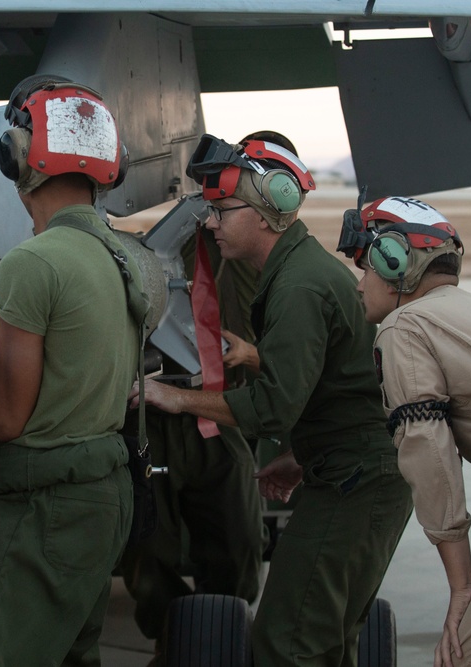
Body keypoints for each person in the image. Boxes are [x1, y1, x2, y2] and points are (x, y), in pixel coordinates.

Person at [135, 134, 413, 666]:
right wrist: (306, 455)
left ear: (267, 212)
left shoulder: (298, 288)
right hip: (351, 470)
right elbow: (337, 384)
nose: (210, 224)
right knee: (328, 641)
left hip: (353, 483)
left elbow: (272, 408)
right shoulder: (300, 272)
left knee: (288, 643)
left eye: (222, 211)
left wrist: (176, 399)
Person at [0, 75, 146, 666]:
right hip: (104, 497)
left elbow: (4, 419)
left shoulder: (33, 262)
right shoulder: (123, 255)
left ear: (17, 158)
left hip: (41, 506)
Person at [343, 195, 471, 667]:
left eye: (366, 269)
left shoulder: (406, 326)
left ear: (395, 262)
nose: (360, 286)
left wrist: (462, 589)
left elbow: (428, 453)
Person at [119, 132, 298, 658]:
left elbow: (292, 355)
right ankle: (177, 642)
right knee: (145, 552)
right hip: (152, 417)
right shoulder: (185, 238)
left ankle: (222, 637)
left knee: (238, 546)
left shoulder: (258, 261)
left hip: (221, 416)